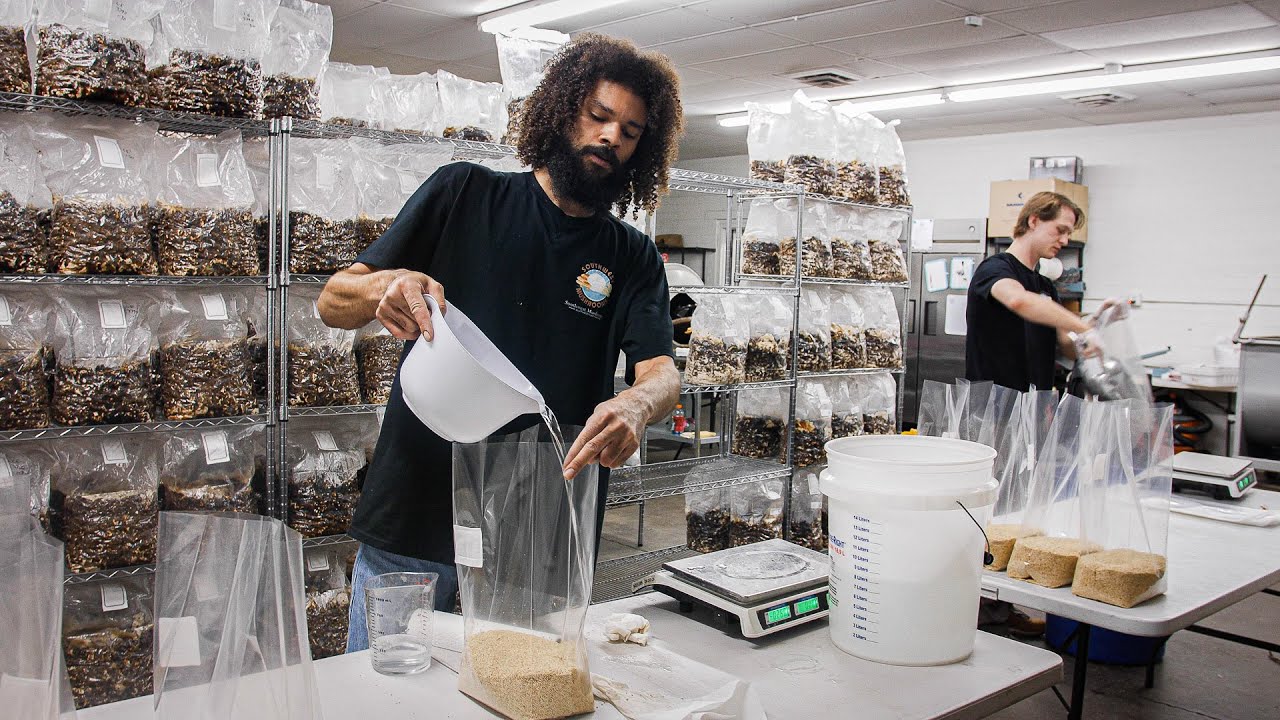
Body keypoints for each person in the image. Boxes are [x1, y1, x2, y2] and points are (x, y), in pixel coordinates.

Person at [317, 34, 684, 651]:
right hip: (419, 504)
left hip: (541, 524)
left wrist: (637, 405)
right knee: (383, 690)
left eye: (630, 130)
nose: (610, 138)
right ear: (564, 111)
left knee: (521, 693)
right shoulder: (463, 193)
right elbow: (334, 300)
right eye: (598, 116)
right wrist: (386, 284)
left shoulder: (631, 255)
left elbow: (661, 371)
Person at [966, 191, 1089, 637]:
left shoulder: (1047, 287)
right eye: (1060, 229)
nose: (1063, 239)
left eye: (1069, 234)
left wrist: (1095, 328)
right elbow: (1016, 302)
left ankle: (998, 604)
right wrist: (1080, 323)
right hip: (992, 411)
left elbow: (1064, 344)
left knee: (1016, 510)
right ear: (1033, 221)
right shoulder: (996, 271)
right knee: (983, 512)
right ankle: (973, 605)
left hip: (1033, 411)